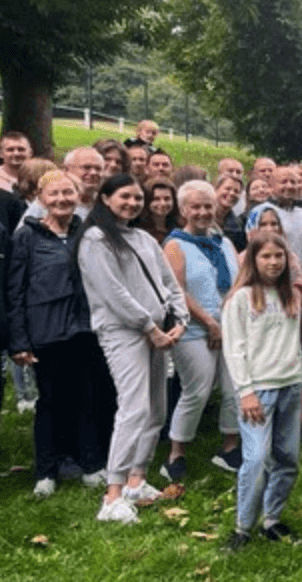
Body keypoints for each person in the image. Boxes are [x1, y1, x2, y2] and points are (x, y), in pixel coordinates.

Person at [78, 174, 188, 524]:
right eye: (125, 197)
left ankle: (136, 480)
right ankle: (112, 494)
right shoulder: (96, 240)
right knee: (134, 407)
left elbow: (168, 282)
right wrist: (149, 327)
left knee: (157, 407)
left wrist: (180, 319)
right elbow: (112, 292)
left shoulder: (141, 237)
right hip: (124, 332)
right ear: (106, 198)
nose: (132, 203)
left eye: (137, 198)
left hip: (159, 332)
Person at [6, 170, 115, 496]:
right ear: (42, 198)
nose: (62, 200)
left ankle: (91, 465)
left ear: (78, 195)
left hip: (85, 330)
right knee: (51, 401)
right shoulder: (27, 237)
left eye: (68, 193)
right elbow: (16, 290)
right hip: (46, 330)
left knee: (88, 399)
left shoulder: (88, 233)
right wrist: (19, 340)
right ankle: (46, 470)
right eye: (54, 194)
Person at [221, 232, 302, 550]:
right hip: (258, 391)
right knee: (256, 459)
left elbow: (293, 344)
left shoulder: (290, 295)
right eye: (266, 256)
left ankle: (272, 519)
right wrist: (246, 391)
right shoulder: (241, 299)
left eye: (279, 256)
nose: (273, 262)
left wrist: (298, 380)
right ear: (253, 260)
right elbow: (234, 349)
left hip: (290, 386)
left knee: (287, 459)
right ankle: (243, 527)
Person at [160, 181, 241, 482]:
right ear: (183, 210)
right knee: (198, 389)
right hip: (193, 329)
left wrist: (227, 321)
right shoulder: (175, 245)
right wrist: (209, 322)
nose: (203, 212)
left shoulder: (225, 243)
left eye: (208, 206)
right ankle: (175, 454)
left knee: (235, 387)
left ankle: (229, 448)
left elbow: (237, 285)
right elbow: (177, 292)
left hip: (230, 327)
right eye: (196, 206)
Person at [135, 177, 180, 244]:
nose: (163, 203)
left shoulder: (178, 228)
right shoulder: (138, 231)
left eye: (167, 199)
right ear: (147, 201)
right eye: (156, 199)